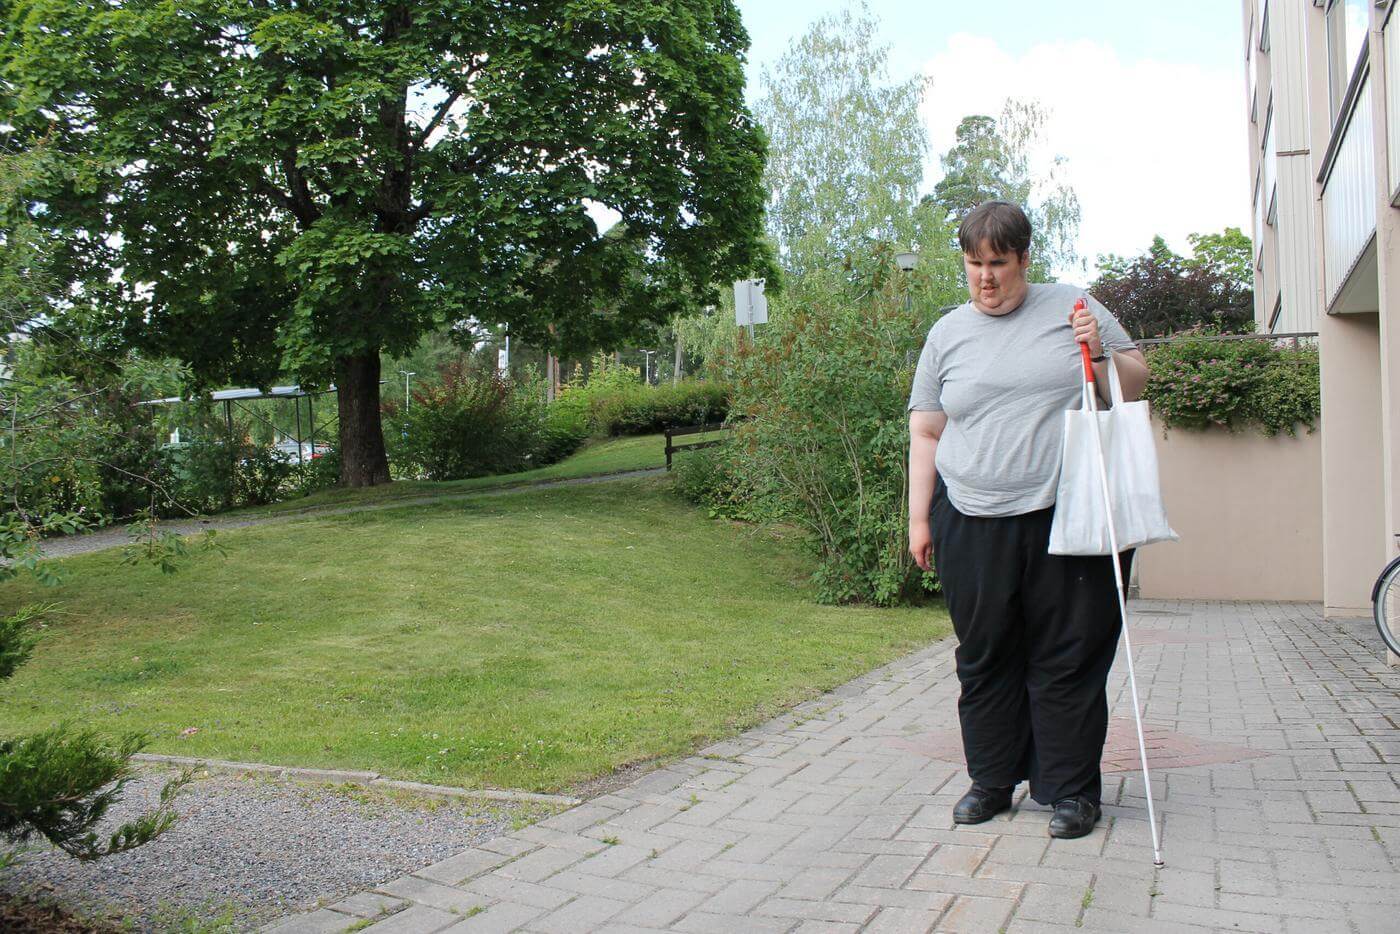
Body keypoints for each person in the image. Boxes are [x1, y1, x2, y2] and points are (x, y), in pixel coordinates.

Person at [906, 200, 1149, 839]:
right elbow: (927, 429)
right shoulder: (947, 333)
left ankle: (1070, 792)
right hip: (968, 516)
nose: (985, 278)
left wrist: (1098, 354)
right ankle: (991, 781)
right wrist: (918, 520)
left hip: (1067, 516)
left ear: (1024, 259)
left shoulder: (1074, 308)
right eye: (972, 265)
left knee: (1067, 655)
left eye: (998, 264)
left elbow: (1136, 381)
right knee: (984, 655)